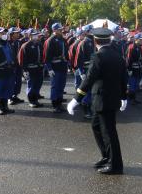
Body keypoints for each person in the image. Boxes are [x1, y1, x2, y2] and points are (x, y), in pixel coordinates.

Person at [67, 28, 128, 175]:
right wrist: (124, 96)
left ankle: (116, 165)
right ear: (109, 39)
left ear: (95, 41)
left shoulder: (98, 56)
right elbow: (124, 78)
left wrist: (76, 99)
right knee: (96, 127)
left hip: (103, 99)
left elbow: (89, 79)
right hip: (108, 99)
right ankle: (107, 156)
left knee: (109, 133)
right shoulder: (118, 55)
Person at [43, 23, 68, 113]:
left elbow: (66, 53)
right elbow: (46, 57)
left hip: (63, 66)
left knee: (61, 85)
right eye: (59, 29)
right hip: (55, 67)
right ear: (54, 30)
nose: (61, 31)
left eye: (61, 29)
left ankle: (59, 102)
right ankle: (55, 104)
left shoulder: (62, 39)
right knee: (55, 86)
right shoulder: (50, 40)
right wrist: (49, 69)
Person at [18, 29, 44, 108]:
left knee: (38, 84)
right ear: (30, 36)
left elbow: (43, 55)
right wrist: (24, 70)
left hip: (39, 68)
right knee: (31, 85)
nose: (36, 36)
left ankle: (35, 99)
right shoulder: (25, 45)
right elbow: (21, 59)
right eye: (34, 35)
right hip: (30, 69)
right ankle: (31, 101)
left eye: (36, 34)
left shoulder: (39, 44)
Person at [73, 25, 95, 119]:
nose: (92, 31)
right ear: (86, 32)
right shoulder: (84, 43)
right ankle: (86, 109)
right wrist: (81, 72)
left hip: (91, 69)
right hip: (85, 70)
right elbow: (78, 59)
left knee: (90, 89)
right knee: (86, 89)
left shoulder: (92, 41)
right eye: (91, 30)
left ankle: (88, 105)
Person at [8, 27, 25, 105]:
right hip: (11, 66)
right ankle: (9, 97)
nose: (18, 34)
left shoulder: (19, 42)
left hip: (18, 65)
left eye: (18, 33)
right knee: (11, 81)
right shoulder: (7, 42)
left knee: (18, 81)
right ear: (11, 34)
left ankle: (15, 95)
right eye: (16, 33)